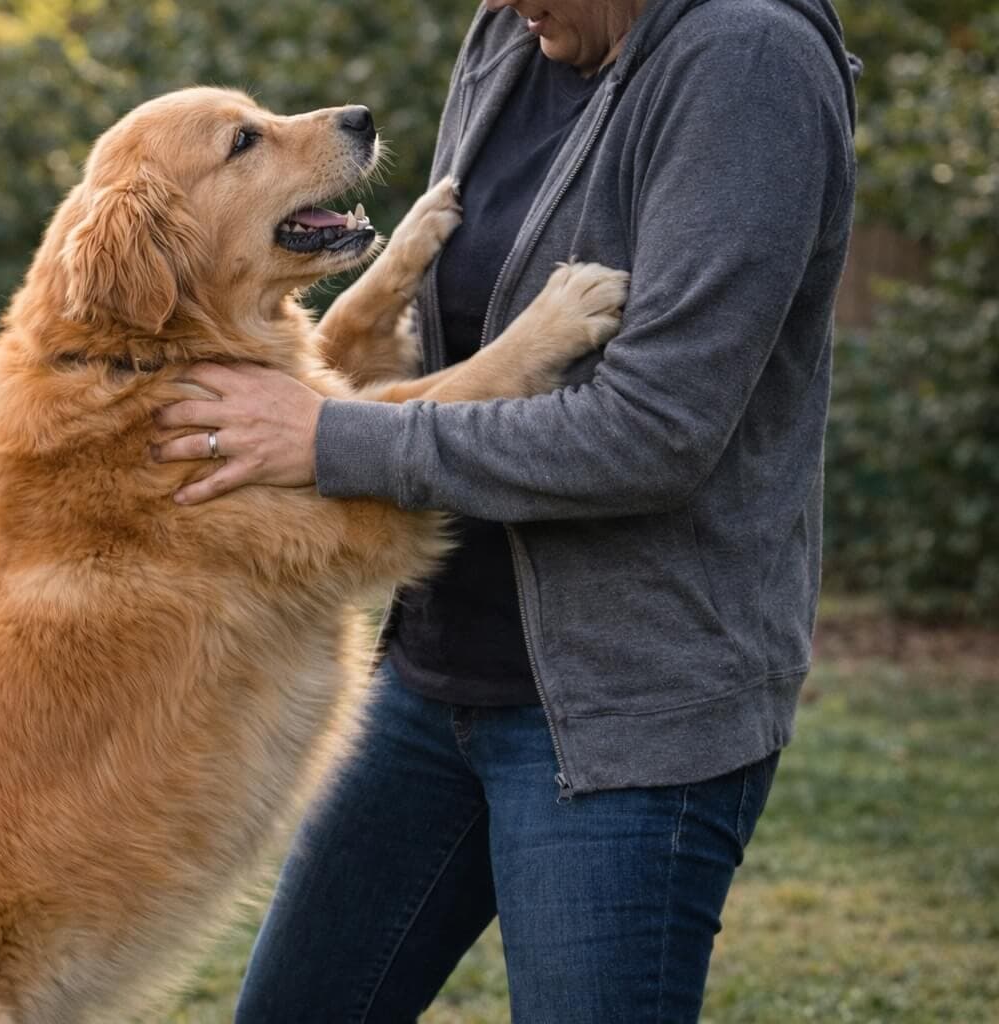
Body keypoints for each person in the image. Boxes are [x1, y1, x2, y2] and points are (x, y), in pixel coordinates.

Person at [151, 0, 859, 1019]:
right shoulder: (514, 33)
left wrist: (325, 436)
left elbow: (652, 434)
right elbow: (453, 345)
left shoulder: (749, 64)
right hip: (431, 676)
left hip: (622, 720)